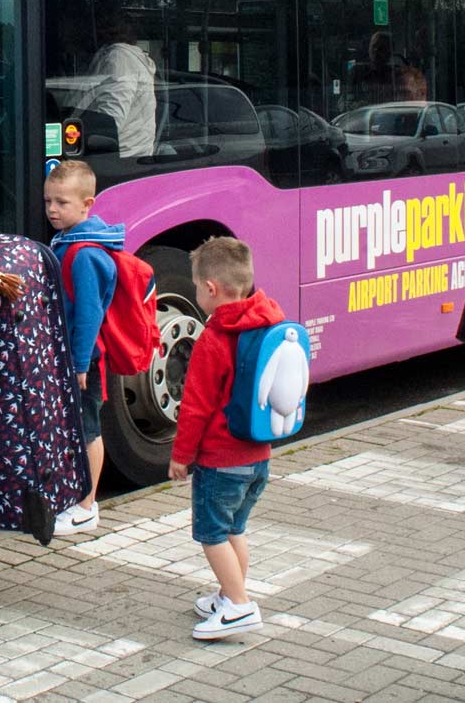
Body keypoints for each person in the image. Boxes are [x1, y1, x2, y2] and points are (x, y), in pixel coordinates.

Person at [167, 236, 278, 641]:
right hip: (258, 456)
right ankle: (229, 595)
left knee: (212, 534)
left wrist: (181, 456)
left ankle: (239, 606)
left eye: (197, 288)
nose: (198, 294)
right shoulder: (267, 322)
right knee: (235, 530)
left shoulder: (214, 340)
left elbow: (195, 407)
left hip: (220, 460)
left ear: (210, 289)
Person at [44, 158, 116, 536]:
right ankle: (76, 497)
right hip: (74, 358)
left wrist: (80, 363)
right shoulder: (69, 242)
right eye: (49, 202)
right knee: (75, 427)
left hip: (85, 360)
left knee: (88, 428)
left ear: (88, 204)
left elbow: (89, 313)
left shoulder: (84, 253)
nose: (53, 210)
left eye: (62, 203)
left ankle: (87, 506)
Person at [82, 12, 158, 159]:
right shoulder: (125, 57)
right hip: (128, 156)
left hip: (118, 159)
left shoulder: (119, 58)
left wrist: (77, 137)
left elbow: (110, 120)